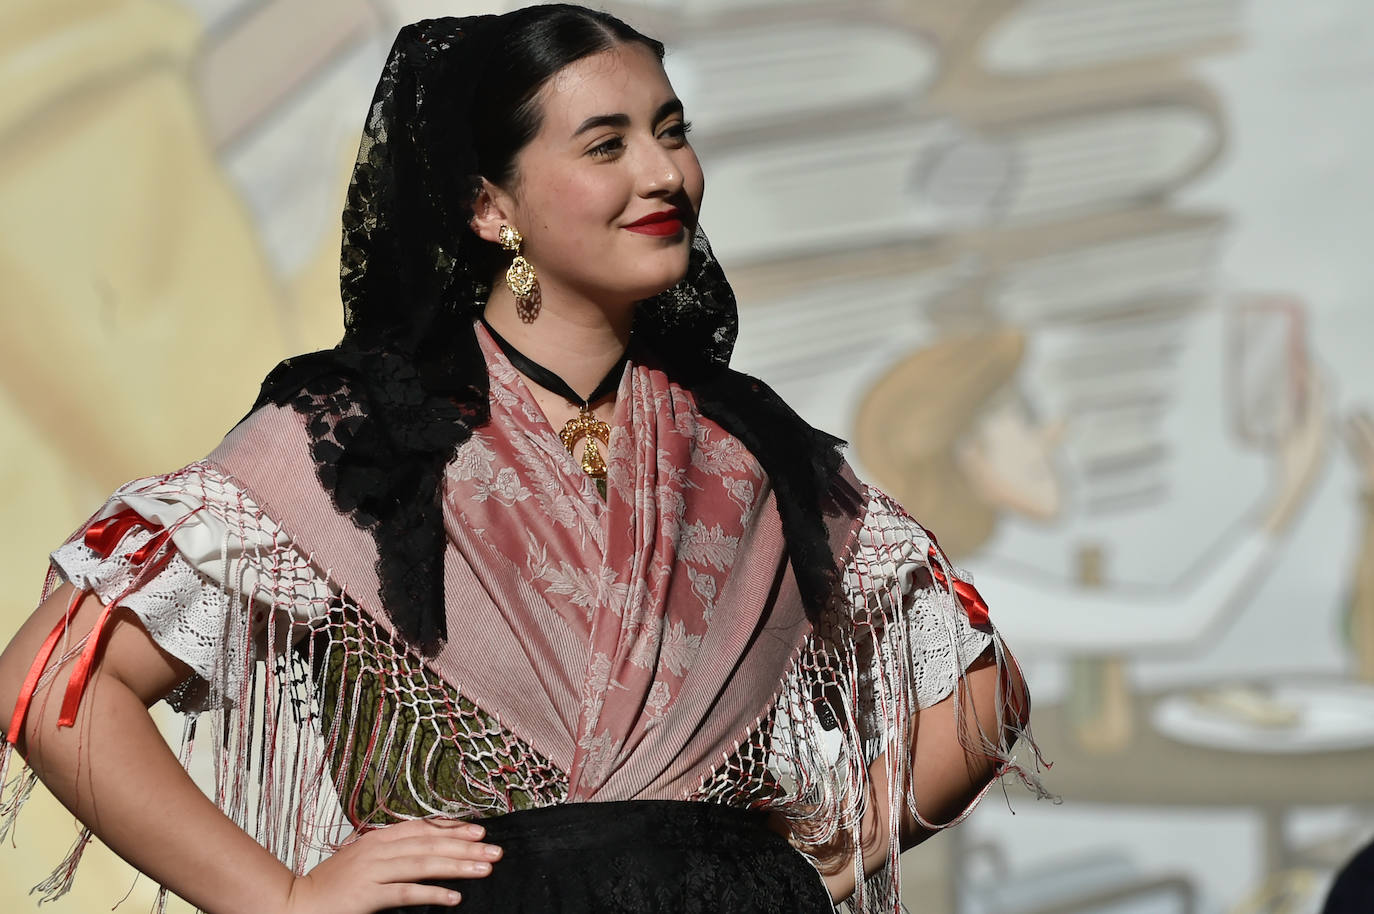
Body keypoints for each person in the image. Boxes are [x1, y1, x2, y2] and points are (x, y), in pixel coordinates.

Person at [0, 7, 1046, 913]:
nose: (662, 172)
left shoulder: (749, 447)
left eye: (671, 131)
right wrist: (276, 893)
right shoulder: (360, 433)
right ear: (490, 206)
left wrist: (812, 866)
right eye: (606, 144)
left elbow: (983, 687)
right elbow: (53, 681)